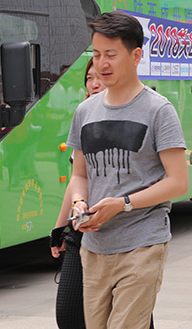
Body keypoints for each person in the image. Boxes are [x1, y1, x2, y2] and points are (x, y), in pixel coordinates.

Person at [68, 11, 189, 329]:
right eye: (96, 55)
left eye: (111, 54)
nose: (101, 64)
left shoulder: (158, 110)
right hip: (94, 248)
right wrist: (79, 204)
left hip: (142, 242)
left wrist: (122, 204)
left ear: (136, 56)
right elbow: (79, 174)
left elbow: (178, 182)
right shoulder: (85, 111)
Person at [51, 58, 106, 329]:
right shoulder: (83, 116)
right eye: (89, 78)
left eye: (100, 77)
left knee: (128, 317)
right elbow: (76, 179)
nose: (94, 83)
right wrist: (60, 228)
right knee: (69, 314)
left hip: (118, 228)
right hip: (81, 227)